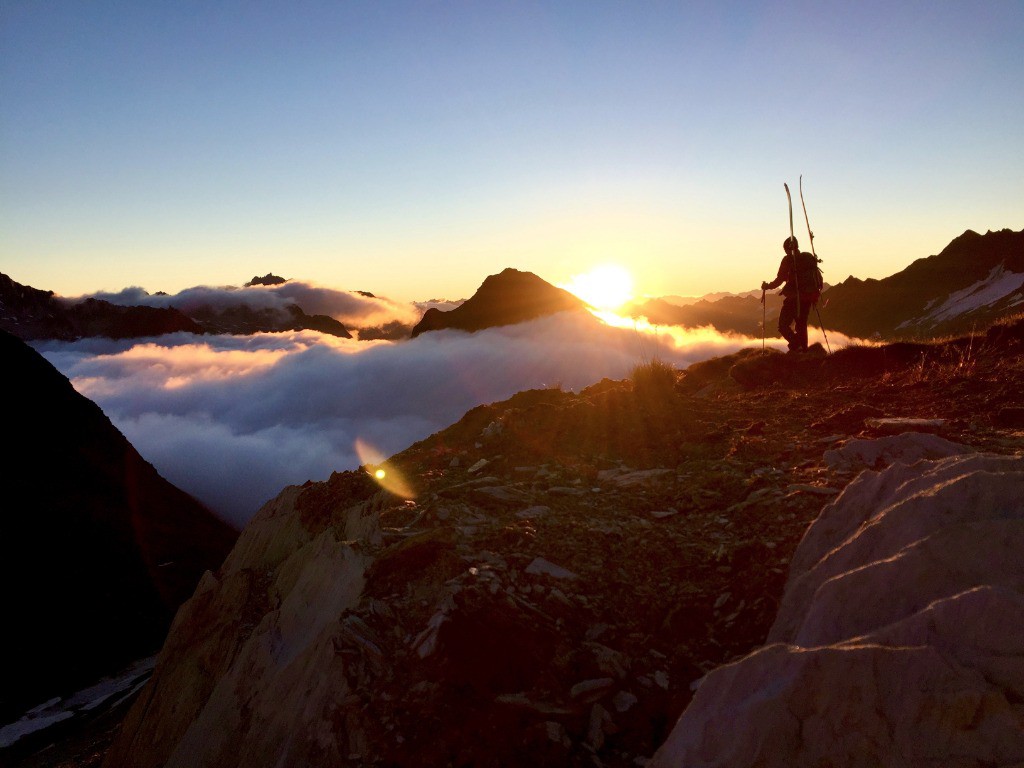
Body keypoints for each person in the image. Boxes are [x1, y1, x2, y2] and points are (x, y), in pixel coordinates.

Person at [761, 236, 822, 353]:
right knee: (801, 325)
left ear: (786, 248)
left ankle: (796, 345)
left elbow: (779, 279)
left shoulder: (788, 260)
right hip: (808, 297)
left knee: (783, 325)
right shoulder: (808, 257)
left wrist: (767, 286)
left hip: (794, 298)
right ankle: (804, 350)